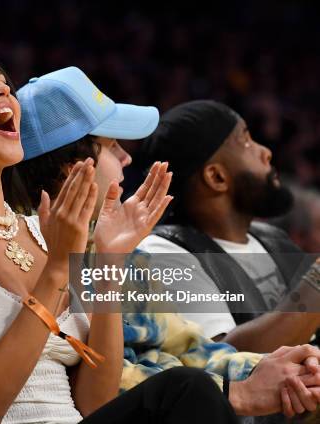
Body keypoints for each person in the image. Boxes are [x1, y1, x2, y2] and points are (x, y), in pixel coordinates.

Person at [0, 41, 244, 424]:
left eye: (3, 82)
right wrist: (55, 271)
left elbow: (94, 404)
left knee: (187, 391)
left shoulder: (39, 231)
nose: (3, 90)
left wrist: (109, 268)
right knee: (187, 392)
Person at [12, 66, 320, 419]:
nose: (128, 158)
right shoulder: (26, 256)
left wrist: (282, 370)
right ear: (73, 169)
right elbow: (99, 387)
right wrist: (234, 390)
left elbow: (191, 348)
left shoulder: (124, 251)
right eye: (113, 146)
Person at [136, 100, 320, 353]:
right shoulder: (162, 252)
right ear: (216, 177)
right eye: (246, 141)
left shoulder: (271, 238)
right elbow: (222, 359)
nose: (265, 152)